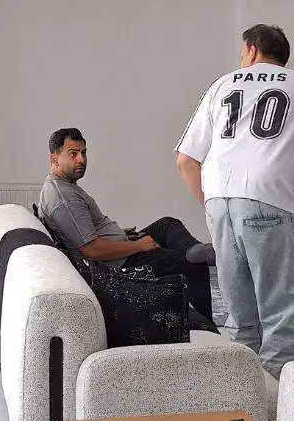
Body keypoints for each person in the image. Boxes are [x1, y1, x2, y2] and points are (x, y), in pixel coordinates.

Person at [175, 23, 294, 377]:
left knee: (240, 318)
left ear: (252, 50)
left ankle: (244, 397)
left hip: (220, 202)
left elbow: (186, 161)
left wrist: (214, 206)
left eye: (242, 53)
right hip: (271, 202)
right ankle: (280, 402)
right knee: (284, 315)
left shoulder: (221, 85)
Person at [37, 127, 217, 324]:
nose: (81, 159)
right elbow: (91, 250)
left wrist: (120, 235)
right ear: (54, 158)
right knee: (191, 265)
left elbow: (85, 232)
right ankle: (207, 327)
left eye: (83, 152)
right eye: (73, 154)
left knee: (166, 225)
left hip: (118, 250)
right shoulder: (64, 199)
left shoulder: (63, 186)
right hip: (115, 267)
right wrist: (137, 246)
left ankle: (194, 249)